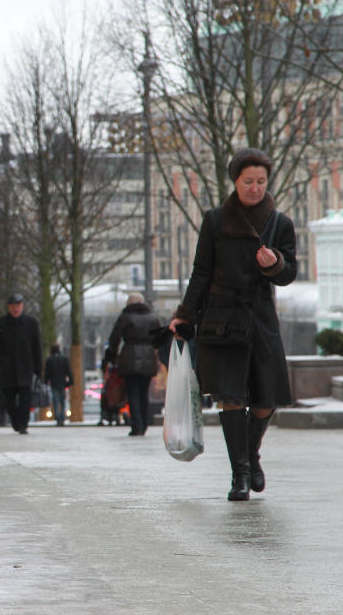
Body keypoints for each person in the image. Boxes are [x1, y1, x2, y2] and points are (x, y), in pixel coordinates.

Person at [169, 147, 296, 502]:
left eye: (261, 181)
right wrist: (184, 314)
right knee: (230, 399)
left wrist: (275, 264)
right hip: (222, 321)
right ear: (235, 182)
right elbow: (202, 272)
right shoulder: (214, 221)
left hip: (260, 320)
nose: (255, 188)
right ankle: (239, 473)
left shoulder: (279, 223)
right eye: (248, 181)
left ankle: (251, 455)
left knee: (264, 402)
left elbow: (290, 273)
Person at [104, 293, 161, 437]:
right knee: (144, 393)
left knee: (133, 394)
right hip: (148, 358)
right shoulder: (152, 317)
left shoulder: (125, 317)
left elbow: (114, 338)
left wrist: (112, 356)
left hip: (129, 357)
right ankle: (145, 423)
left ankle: (137, 426)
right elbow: (160, 338)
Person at [0, 293, 42, 434]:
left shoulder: (31, 323)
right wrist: (0, 362)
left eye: (18, 306)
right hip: (7, 370)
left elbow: (37, 348)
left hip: (26, 368)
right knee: (9, 400)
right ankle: (15, 421)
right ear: (9, 307)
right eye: (13, 306)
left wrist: (38, 369)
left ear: (22, 306)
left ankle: (23, 425)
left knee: (26, 399)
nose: (16, 309)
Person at [44, 343, 73, 426]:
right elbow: (68, 371)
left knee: (55, 401)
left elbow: (47, 372)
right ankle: (62, 417)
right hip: (63, 383)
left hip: (54, 383)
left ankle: (57, 417)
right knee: (63, 401)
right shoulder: (64, 359)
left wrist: (46, 381)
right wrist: (71, 381)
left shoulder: (49, 360)